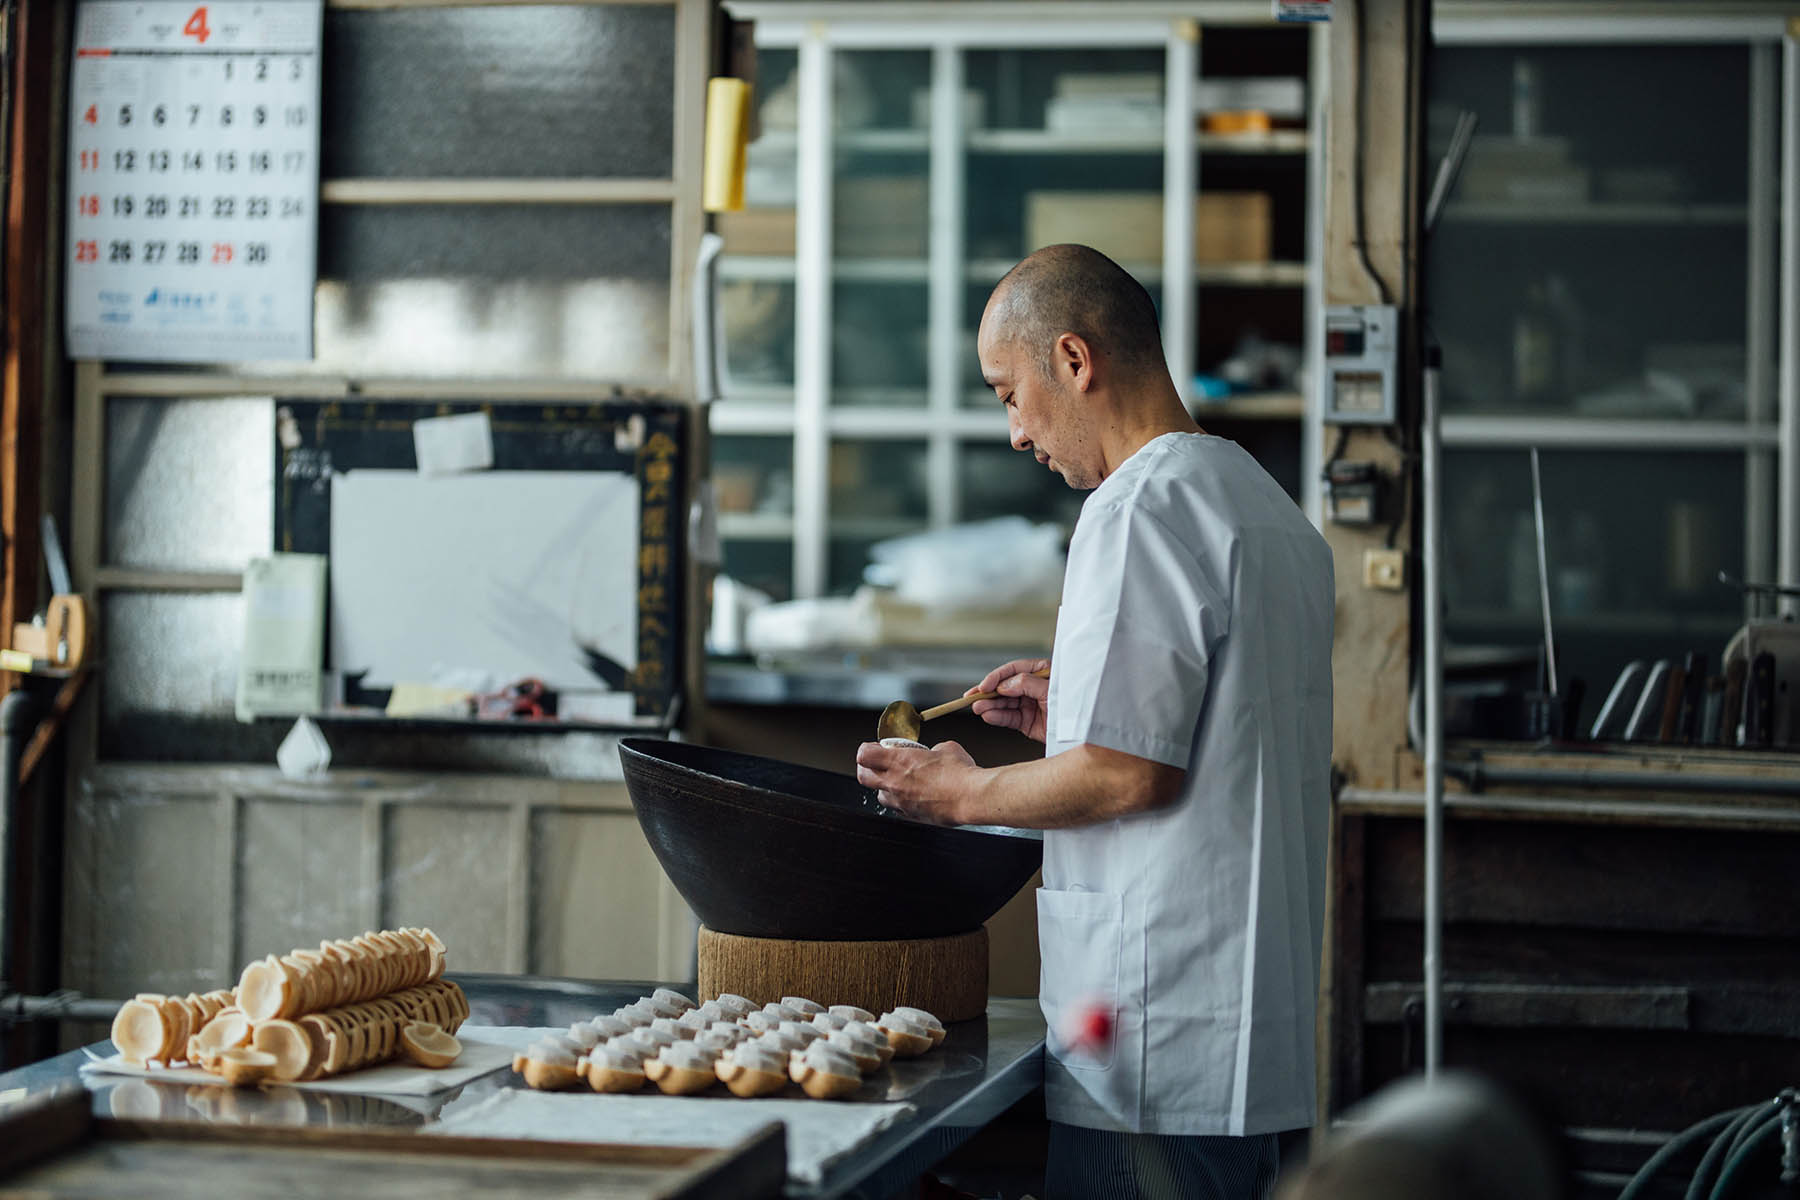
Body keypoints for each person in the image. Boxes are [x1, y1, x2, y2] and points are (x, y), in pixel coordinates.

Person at [855, 244, 1335, 1200]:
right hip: (1242, 1028)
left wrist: (959, 793)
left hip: (1153, 1040)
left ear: (1074, 361)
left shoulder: (1138, 506)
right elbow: (1211, 732)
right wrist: (1072, 706)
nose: (1014, 432)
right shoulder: (1263, 507)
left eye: (1007, 392)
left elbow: (1128, 775)